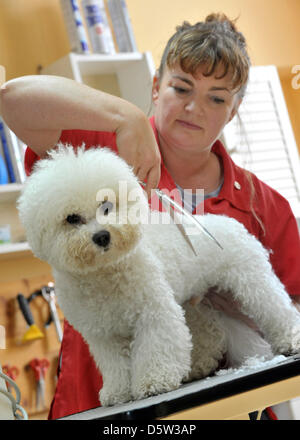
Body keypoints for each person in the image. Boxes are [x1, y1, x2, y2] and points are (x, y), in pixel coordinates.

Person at [1, 13, 299, 420]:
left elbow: (292, 302)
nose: (195, 107)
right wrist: (123, 116)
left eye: (217, 98)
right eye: (181, 88)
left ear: (234, 111)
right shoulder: (99, 156)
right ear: (156, 87)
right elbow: (12, 98)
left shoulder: (265, 206)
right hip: (102, 411)